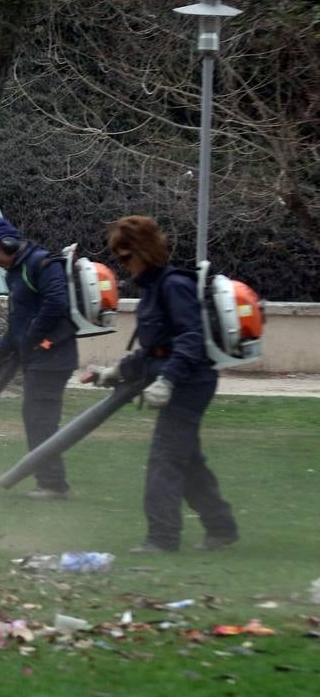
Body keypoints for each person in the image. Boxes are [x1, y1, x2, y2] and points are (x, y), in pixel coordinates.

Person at [90, 215, 237, 553]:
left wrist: (168, 381)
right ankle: (222, 528)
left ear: (143, 251)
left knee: (166, 458)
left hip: (191, 382)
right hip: (177, 378)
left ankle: (162, 538)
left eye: (125, 257)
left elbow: (190, 338)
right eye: (118, 259)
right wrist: (117, 372)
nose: (123, 266)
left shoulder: (173, 286)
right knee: (186, 460)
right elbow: (155, 348)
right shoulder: (154, 290)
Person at [0, 216, 78, 500]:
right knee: (36, 419)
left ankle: (54, 485)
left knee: (41, 420)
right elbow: (18, 323)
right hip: (37, 358)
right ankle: (49, 481)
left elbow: (56, 303)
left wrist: (31, 337)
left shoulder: (44, 265)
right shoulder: (15, 272)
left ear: (8, 244)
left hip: (53, 357)